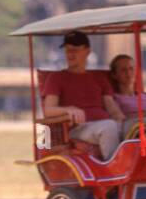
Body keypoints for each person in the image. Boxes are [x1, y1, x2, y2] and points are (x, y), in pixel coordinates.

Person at [41, 30, 121, 159]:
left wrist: (122, 120)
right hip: (79, 129)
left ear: (88, 51)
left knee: (139, 126)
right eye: (67, 50)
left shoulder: (99, 78)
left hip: (106, 124)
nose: (70, 54)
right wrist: (69, 110)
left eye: (75, 49)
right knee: (109, 127)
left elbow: (111, 107)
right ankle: (114, 170)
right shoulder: (56, 78)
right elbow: (48, 110)